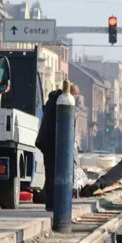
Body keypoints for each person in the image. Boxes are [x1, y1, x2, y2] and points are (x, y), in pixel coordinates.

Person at [35, 83, 80, 211]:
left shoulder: (53, 100)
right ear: (74, 94)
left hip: (47, 142)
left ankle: (51, 203)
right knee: (58, 173)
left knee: (50, 173)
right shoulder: (63, 101)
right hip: (56, 143)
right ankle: (56, 203)